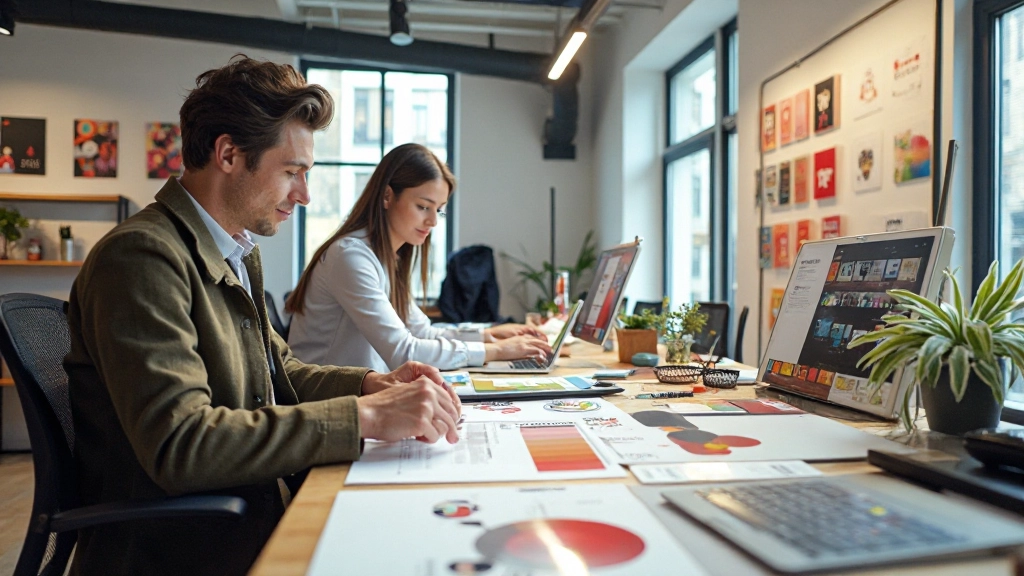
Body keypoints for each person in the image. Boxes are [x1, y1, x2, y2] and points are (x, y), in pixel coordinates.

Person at [64, 56, 461, 576]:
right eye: (292, 172)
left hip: (247, 509)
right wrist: (366, 418)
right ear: (229, 153)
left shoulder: (233, 250)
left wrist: (372, 385)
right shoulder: (142, 258)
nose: (304, 194)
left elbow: (282, 372)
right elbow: (182, 444)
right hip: (181, 549)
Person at [285, 143, 551, 373]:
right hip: (327, 408)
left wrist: (488, 336)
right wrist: (494, 351)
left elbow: (422, 332)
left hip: (359, 399)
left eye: (439, 210)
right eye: (423, 207)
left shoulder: (386, 257)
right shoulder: (351, 257)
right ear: (387, 196)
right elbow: (405, 351)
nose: (433, 221)